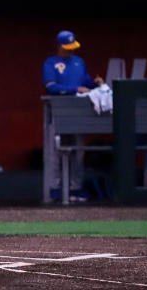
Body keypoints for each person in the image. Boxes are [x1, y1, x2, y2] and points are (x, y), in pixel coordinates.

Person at [43, 30, 104, 202]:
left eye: (72, 47)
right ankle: (54, 190)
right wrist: (73, 89)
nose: (71, 51)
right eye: (67, 47)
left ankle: (75, 188)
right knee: (55, 151)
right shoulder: (51, 63)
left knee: (79, 151)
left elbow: (86, 82)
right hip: (58, 112)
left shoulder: (79, 62)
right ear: (60, 46)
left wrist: (96, 83)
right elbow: (51, 87)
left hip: (78, 114)